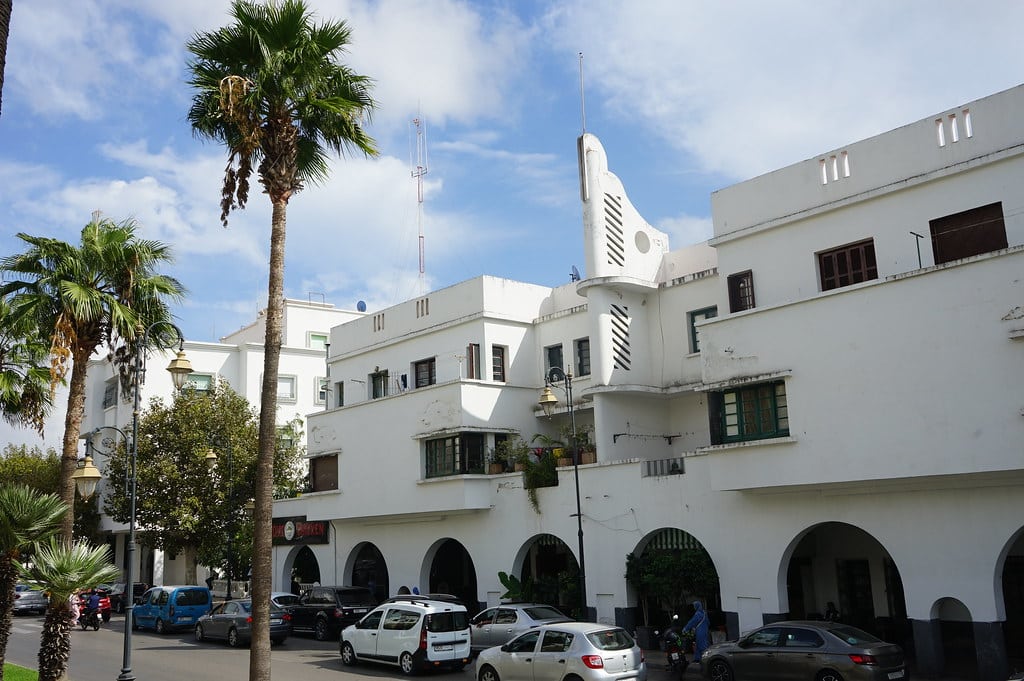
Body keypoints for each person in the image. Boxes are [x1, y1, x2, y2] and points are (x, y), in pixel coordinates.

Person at [682, 600, 710, 664]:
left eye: (694, 606)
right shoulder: (704, 613)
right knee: (698, 644)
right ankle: (697, 659)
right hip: (705, 630)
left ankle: (705, 660)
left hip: (700, 631)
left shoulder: (698, 614)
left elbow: (692, 622)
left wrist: (685, 628)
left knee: (701, 645)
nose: (694, 607)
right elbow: (708, 622)